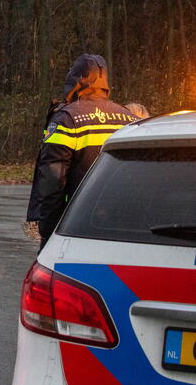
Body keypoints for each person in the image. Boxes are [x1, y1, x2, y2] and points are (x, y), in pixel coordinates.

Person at [27, 54, 137, 249]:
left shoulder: (67, 118)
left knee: (63, 278)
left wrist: (48, 229)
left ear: (76, 79)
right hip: (120, 225)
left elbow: (52, 180)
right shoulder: (128, 118)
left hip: (75, 221)